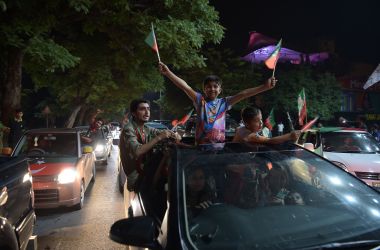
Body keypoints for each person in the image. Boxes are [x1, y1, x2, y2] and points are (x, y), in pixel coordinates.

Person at [159, 62, 276, 145]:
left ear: (220, 90)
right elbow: (185, 87)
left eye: (215, 86)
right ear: (204, 89)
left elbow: (243, 94)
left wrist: (264, 87)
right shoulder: (200, 101)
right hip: (200, 148)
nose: (212, 89)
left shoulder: (224, 103)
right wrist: (168, 73)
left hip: (219, 149)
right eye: (208, 87)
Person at [119, 99, 180, 217]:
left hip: (147, 171)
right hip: (136, 177)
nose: (147, 112)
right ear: (133, 113)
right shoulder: (128, 129)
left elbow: (163, 132)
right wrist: (158, 138)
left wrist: (174, 135)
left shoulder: (146, 128)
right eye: (142, 109)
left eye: (148, 109)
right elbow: (138, 151)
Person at [233, 106, 300, 144]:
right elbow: (270, 141)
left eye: (261, 119)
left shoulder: (240, 128)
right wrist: (289, 136)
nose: (261, 123)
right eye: (257, 121)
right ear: (247, 124)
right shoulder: (250, 136)